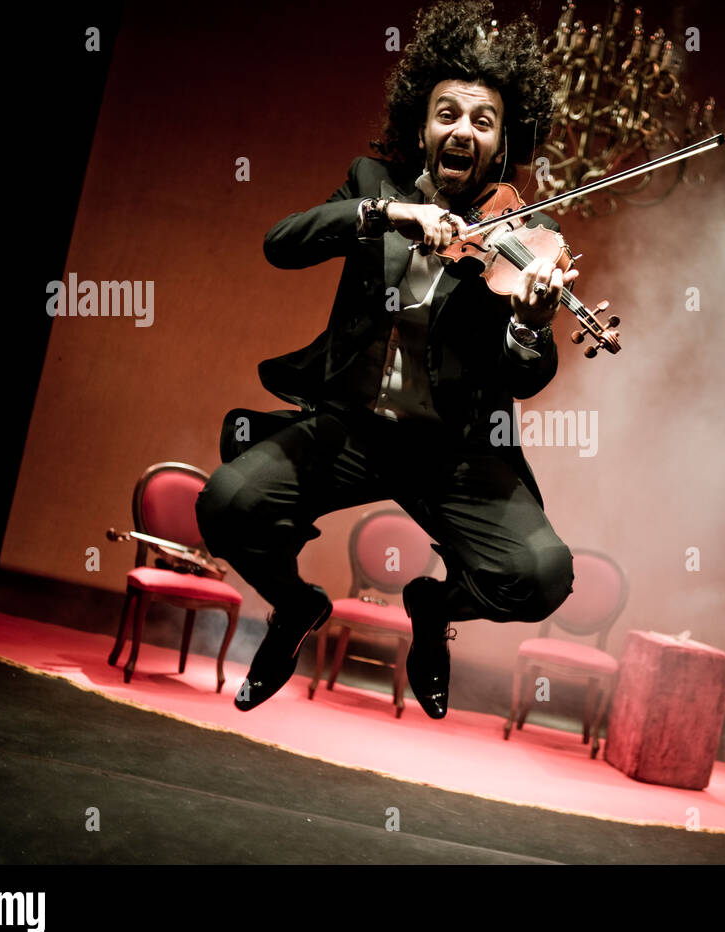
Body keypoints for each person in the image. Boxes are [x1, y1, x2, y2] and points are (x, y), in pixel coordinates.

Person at [195, 0, 576, 719]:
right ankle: (295, 605)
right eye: (448, 114)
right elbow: (283, 242)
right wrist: (387, 215)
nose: (463, 130)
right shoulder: (374, 185)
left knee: (541, 574)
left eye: (483, 121)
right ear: (423, 127)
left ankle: (433, 608)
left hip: (454, 452)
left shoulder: (528, 234)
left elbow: (527, 372)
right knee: (227, 504)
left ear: (499, 148)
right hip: (351, 432)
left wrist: (529, 323)